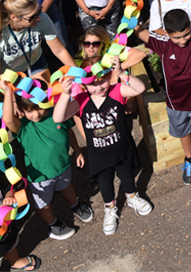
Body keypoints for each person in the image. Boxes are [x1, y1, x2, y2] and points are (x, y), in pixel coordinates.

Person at [129, 0, 191, 206]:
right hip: (174, 104)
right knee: (182, 134)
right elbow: (136, 27)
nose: (182, 41)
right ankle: (190, 159)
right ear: (166, 33)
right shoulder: (161, 44)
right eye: (176, 37)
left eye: (185, 34)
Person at [53, 58, 151, 235]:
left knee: (127, 176)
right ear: (83, 83)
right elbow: (58, 118)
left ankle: (132, 197)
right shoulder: (81, 100)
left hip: (122, 150)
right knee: (105, 183)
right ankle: (110, 208)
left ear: (109, 76)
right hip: (99, 154)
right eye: (93, 84)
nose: (99, 88)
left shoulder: (116, 91)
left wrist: (121, 73)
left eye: (103, 81)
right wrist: (66, 94)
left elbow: (140, 88)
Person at [0, 75, 93, 241]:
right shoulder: (24, 128)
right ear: (21, 110)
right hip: (40, 177)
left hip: (63, 165)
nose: (36, 114)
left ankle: (75, 204)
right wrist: (7, 92)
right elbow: (8, 119)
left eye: (39, 108)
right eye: (29, 111)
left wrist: (77, 150)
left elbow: (69, 132)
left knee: (67, 186)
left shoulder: (57, 114)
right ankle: (52, 224)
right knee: (43, 202)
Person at [0, 0, 76, 84]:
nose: (39, 18)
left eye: (39, 11)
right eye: (32, 17)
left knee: (46, 96)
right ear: (14, 17)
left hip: (35, 61)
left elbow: (59, 50)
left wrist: (77, 73)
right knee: (22, 102)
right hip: (9, 74)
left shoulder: (41, 18)